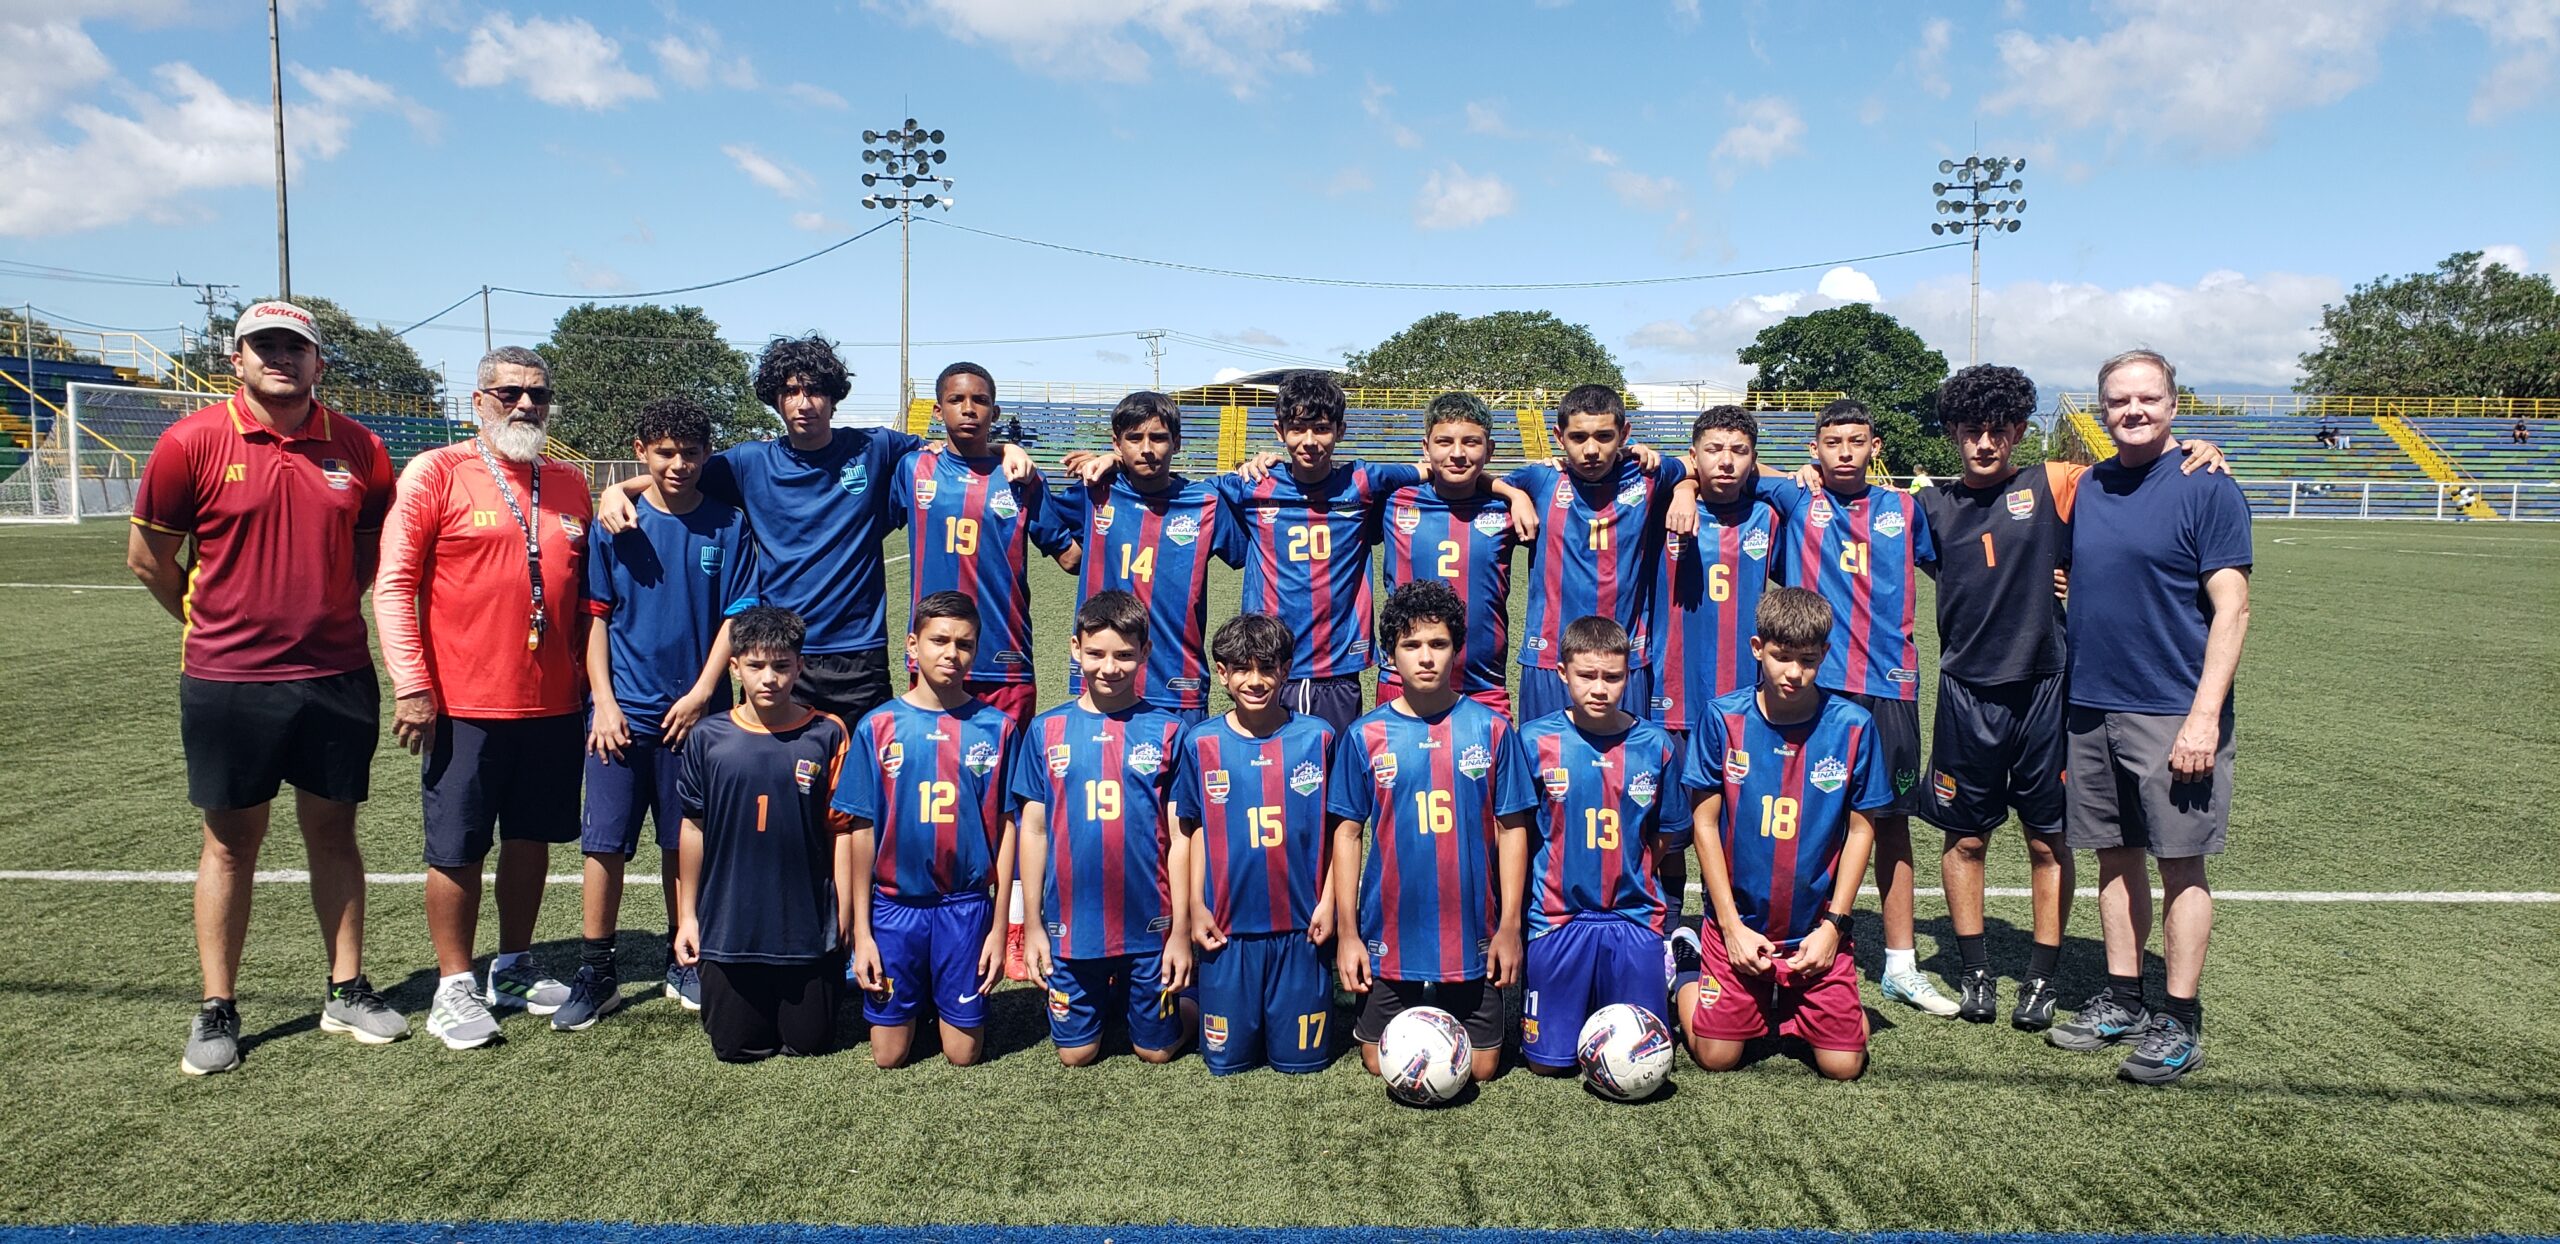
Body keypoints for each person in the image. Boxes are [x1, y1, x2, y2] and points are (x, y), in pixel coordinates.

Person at [127, 299, 406, 1073]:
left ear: (319, 362)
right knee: (229, 843)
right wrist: (212, 622)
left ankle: (346, 988)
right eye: (265, 345)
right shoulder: (191, 442)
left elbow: (368, 555)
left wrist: (320, 610)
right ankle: (218, 1006)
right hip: (228, 681)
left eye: (295, 347)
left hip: (336, 673)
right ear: (237, 359)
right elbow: (148, 560)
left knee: (335, 832)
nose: (280, 358)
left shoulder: (361, 447)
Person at [1912, 368, 2224, 1029]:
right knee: (1965, 841)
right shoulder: (1928, 505)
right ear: (1953, 435)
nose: (1985, 444)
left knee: (2049, 843)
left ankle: (2041, 978)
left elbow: (2142, 468)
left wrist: (2197, 448)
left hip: (2048, 690)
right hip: (1966, 693)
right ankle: (1975, 971)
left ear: (2020, 432)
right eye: (1971, 432)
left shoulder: (2056, 482)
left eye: (1999, 431)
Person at [594, 334, 1032, 723]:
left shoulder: (875, 447)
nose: (804, 403)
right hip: (780, 651)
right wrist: (620, 490)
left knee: (858, 780)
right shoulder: (749, 462)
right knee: (782, 778)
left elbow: (958, 445)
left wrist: (1006, 448)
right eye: (791, 391)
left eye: (816, 390)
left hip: (858, 653)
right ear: (776, 400)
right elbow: (680, 473)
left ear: (834, 398)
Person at [376, 345, 591, 1050]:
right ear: (478, 402)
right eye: (509, 393)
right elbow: (393, 584)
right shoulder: (436, 471)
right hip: (463, 703)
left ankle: (515, 967)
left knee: (531, 839)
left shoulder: (570, 483)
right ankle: (453, 984)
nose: (525, 405)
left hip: (554, 703)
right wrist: (412, 684)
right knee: (458, 846)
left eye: (538, 394)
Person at [2048, 350, 2252, 1086]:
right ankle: (2125, 999)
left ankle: (2179, 1018)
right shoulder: (2092, 485)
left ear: (2173, 403)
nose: (2132, 410)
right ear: (2101, 409)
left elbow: (2233, 608)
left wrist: (2204, 718)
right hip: (2091, 706)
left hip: (2173, 710)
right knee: (2113, 854)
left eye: (2147, 398)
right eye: (2118, 401)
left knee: (2181, 863)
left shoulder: (2207, 485)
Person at [558, 396, 760, 1031]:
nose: (679, 464)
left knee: (685, 839)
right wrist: (604, 703)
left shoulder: (729, 525)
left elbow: (735, 619)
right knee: (604, 843)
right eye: (665, 452)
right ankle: (597, 970)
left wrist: (702, 694)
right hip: (621, 715)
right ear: (641, 452)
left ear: (707, 454)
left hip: (696, 716)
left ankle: (684, 955)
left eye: (691, 453)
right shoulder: (617, 522)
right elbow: (596, 619)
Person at [1742, 400, 1948, 1018]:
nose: (1845, 452)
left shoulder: (1905, 509)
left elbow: (1954, 570)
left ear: (1874, 447)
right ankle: (1796, 943)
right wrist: (1785, 472)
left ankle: (1902, 965)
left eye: (1857, 441)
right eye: (1832, 442)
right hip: (1817, 686)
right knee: (1809, 817)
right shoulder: (1795, 498)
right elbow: (1720, 462)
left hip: (1889, 684)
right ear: (1815, 449)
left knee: (1890, 822)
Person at [1329, 581, 1536, 1085]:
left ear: (1457, 648)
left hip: (1471, 929)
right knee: (1376, 1061)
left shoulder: (1491, 729)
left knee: (1483, 1068)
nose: (1426, 657)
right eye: (1412, 645)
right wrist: (1349, 934)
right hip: (1391, 929)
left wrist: (1510, 927)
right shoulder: (1365, 735)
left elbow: (1512, 829)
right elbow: (1347, 835)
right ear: (1390, 655)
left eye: (1438, 644)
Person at [1678, 587, 1889, 1081]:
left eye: (1808, 660)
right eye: (1781, 657)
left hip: (1813, 930)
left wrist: (1833, 928)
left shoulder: (1853, 726)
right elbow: (1704, 824)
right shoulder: (1723, 719)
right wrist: (1731, 927)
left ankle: (1815, 1002)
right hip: (1738, 923)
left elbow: (1862, 831)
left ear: (1825, 655)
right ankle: (1686, 963)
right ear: (1757, 649)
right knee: (1716, 1056)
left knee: (1844, 1065)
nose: (1794, 672)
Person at [839, 591, 1020, 1068]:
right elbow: (860, 832)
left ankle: (937, 990)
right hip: (895, 906)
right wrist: (863, 934)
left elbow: (1008, 829)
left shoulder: (997, 728)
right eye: (939, 640)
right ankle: (917, 992)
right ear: (912, 645)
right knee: (888, 1056)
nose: (951, 653)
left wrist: (999, 928)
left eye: (964, 644)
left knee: (963, 1054)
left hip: (964, 906)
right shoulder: (877, 726)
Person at [1014, 591, 1194, 1066]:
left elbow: (1181, 839)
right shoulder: (1046, 730)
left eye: (1124, 655)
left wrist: (1181, 932)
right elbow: (1033, 831)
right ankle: (1112, 998)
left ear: (1146, 653)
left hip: (1150, 923)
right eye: (1095, 653)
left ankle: (1194, 1000)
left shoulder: (1170, 731)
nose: (1109, 668)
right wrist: (1032, 925)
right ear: (1075, 648)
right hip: (1073, 927)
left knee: (1155, 1052)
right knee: (1076, 1054)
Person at [670, 607, 852, 1063]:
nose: (769, 678)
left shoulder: (827, 733)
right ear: (735, 668)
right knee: (736, 1047)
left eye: (781, 665)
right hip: (729, 929)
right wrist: (688, 917)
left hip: (806, 929)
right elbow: (692, 828)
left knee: (809, 1043)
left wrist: (845, 913)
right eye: (756, 666)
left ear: (800, 666)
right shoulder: (708, 737)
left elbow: (842, 832)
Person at [1169, 613, 1341, 1075]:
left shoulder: (1318, 737)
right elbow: (1195, 830)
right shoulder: (1201, 742)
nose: (1255, 680)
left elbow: (1337, 833)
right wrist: (1196, 907)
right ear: (1222, 673)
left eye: (1267, 668)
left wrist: (1329, 902)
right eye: (1242, 669)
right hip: (1227, 933)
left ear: (1286, 670)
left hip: (1301, 930)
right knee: (1228, 1059)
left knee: (1301, 1061)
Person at [1516, 616, 1688, 1076]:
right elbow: (1519, 832)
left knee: (1643, 1056)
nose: (1599, 688)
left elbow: (1665, 833)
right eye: (1586, 675)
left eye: (1612, 677)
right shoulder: (1534, 741)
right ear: (1562, 673)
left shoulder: (1656, 744)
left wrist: (1632, 866)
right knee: (1549, 1065)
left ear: (1628, 675)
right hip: (1556, 919)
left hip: (1632, 915)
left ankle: (1678, 960)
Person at [1648, 405, 1783, 932]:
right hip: (1669, 692)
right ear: (1693, 455)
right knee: (1667, 825)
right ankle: (1668, 929)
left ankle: (1721, 928)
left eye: (1739, 451)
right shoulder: (1662, 507)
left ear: (1754, 460)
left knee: (1733, 824)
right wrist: (1683, 487)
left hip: (1744, 701)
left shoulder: (1769, 518)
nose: (1725, 462)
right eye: (1713, 450)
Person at [892, 362, 1081, 734]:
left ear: (994, 412)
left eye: (979, 400)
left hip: (1004, 660)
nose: (968, 409)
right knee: (934, 764)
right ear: (937, 410)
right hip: (933, 658)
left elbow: (1071, 557)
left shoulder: (1020, 476)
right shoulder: (912, 469)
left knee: (1007, 769)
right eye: (956, 400)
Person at [1053, 392, 1247, 728]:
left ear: (1177, 443)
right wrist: (1004, 449)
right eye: (1134, 438)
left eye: (1157, 437)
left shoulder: (1206, 502)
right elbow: (1036, 509)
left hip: (1177, 681)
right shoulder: (1096, 490)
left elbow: (1247, 551)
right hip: (1105, 675)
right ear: (1116, 444)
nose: (1146, 448)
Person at [1506, 384, 1683, 721]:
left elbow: (1695, 466)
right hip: (1549, 658)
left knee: (1626, 753)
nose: (1591, 450)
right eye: (1578, 437)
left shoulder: (1648, 474)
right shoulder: (1539, 479)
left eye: (1604, 436)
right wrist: (1514, 495)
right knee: (1544, 752)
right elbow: (1480, 481)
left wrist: (1686, 490)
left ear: (1624, 434)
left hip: (1623, 662)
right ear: (1559, 437)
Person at [1376, 392, 1523, 716]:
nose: (1457, 453)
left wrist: (1514, 494)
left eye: (1471, 442)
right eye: (1444, 442)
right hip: (1402, 681)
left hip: (1483, 685)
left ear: (1490, 450)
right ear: (1425, 447)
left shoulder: (1509, 508)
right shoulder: (1391, 501)